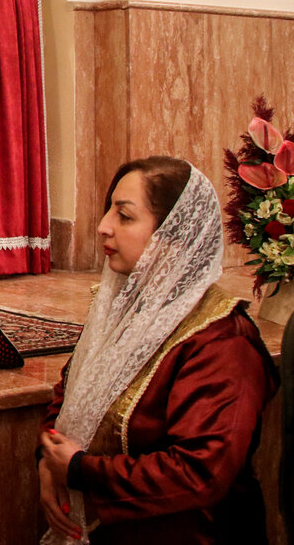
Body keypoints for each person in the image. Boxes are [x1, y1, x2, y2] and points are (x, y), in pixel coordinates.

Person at [37, 157, 277, 544]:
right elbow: (70, 389)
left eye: (124, 216)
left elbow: (202, 473)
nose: (103, 226)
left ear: (173, 237)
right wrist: (48, 461)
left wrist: (80, 471)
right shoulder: (127, 312)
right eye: (109, 211)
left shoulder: (222, 341)